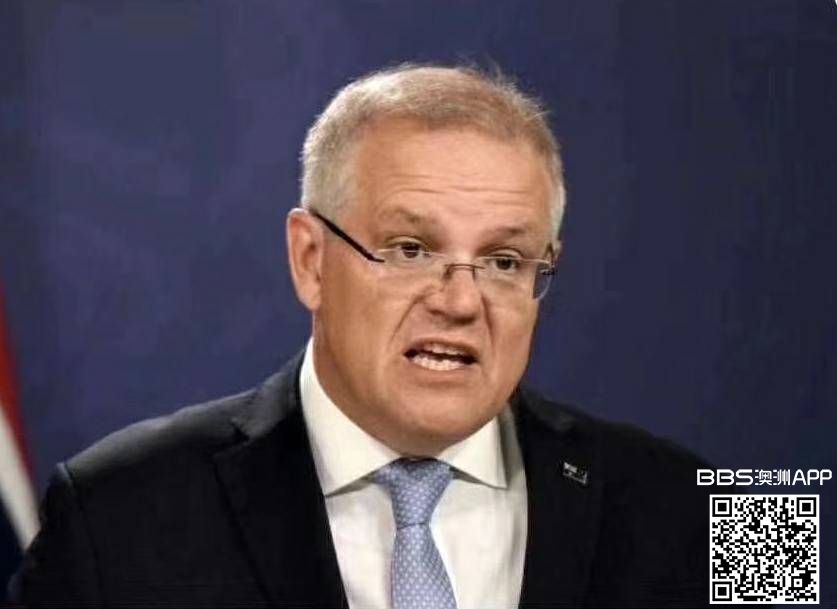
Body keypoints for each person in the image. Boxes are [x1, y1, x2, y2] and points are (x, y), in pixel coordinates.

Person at [11, 64, 713, 608]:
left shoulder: (705, 505)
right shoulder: (112, 513)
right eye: (410, 249)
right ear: (311, 260)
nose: (460, 300)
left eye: (504, 261)